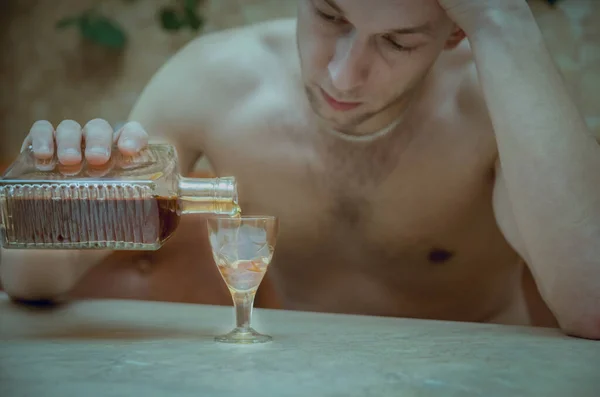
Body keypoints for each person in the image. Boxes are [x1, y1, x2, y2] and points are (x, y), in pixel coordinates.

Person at [1, 0, 599, 339]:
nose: (343, 76)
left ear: (455, 34)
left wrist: (502, 16)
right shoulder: (212, 81)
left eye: (396, 43)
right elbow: (32, 281)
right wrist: (46, 199)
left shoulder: (498, 107)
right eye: (329, 15)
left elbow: (591, 304)